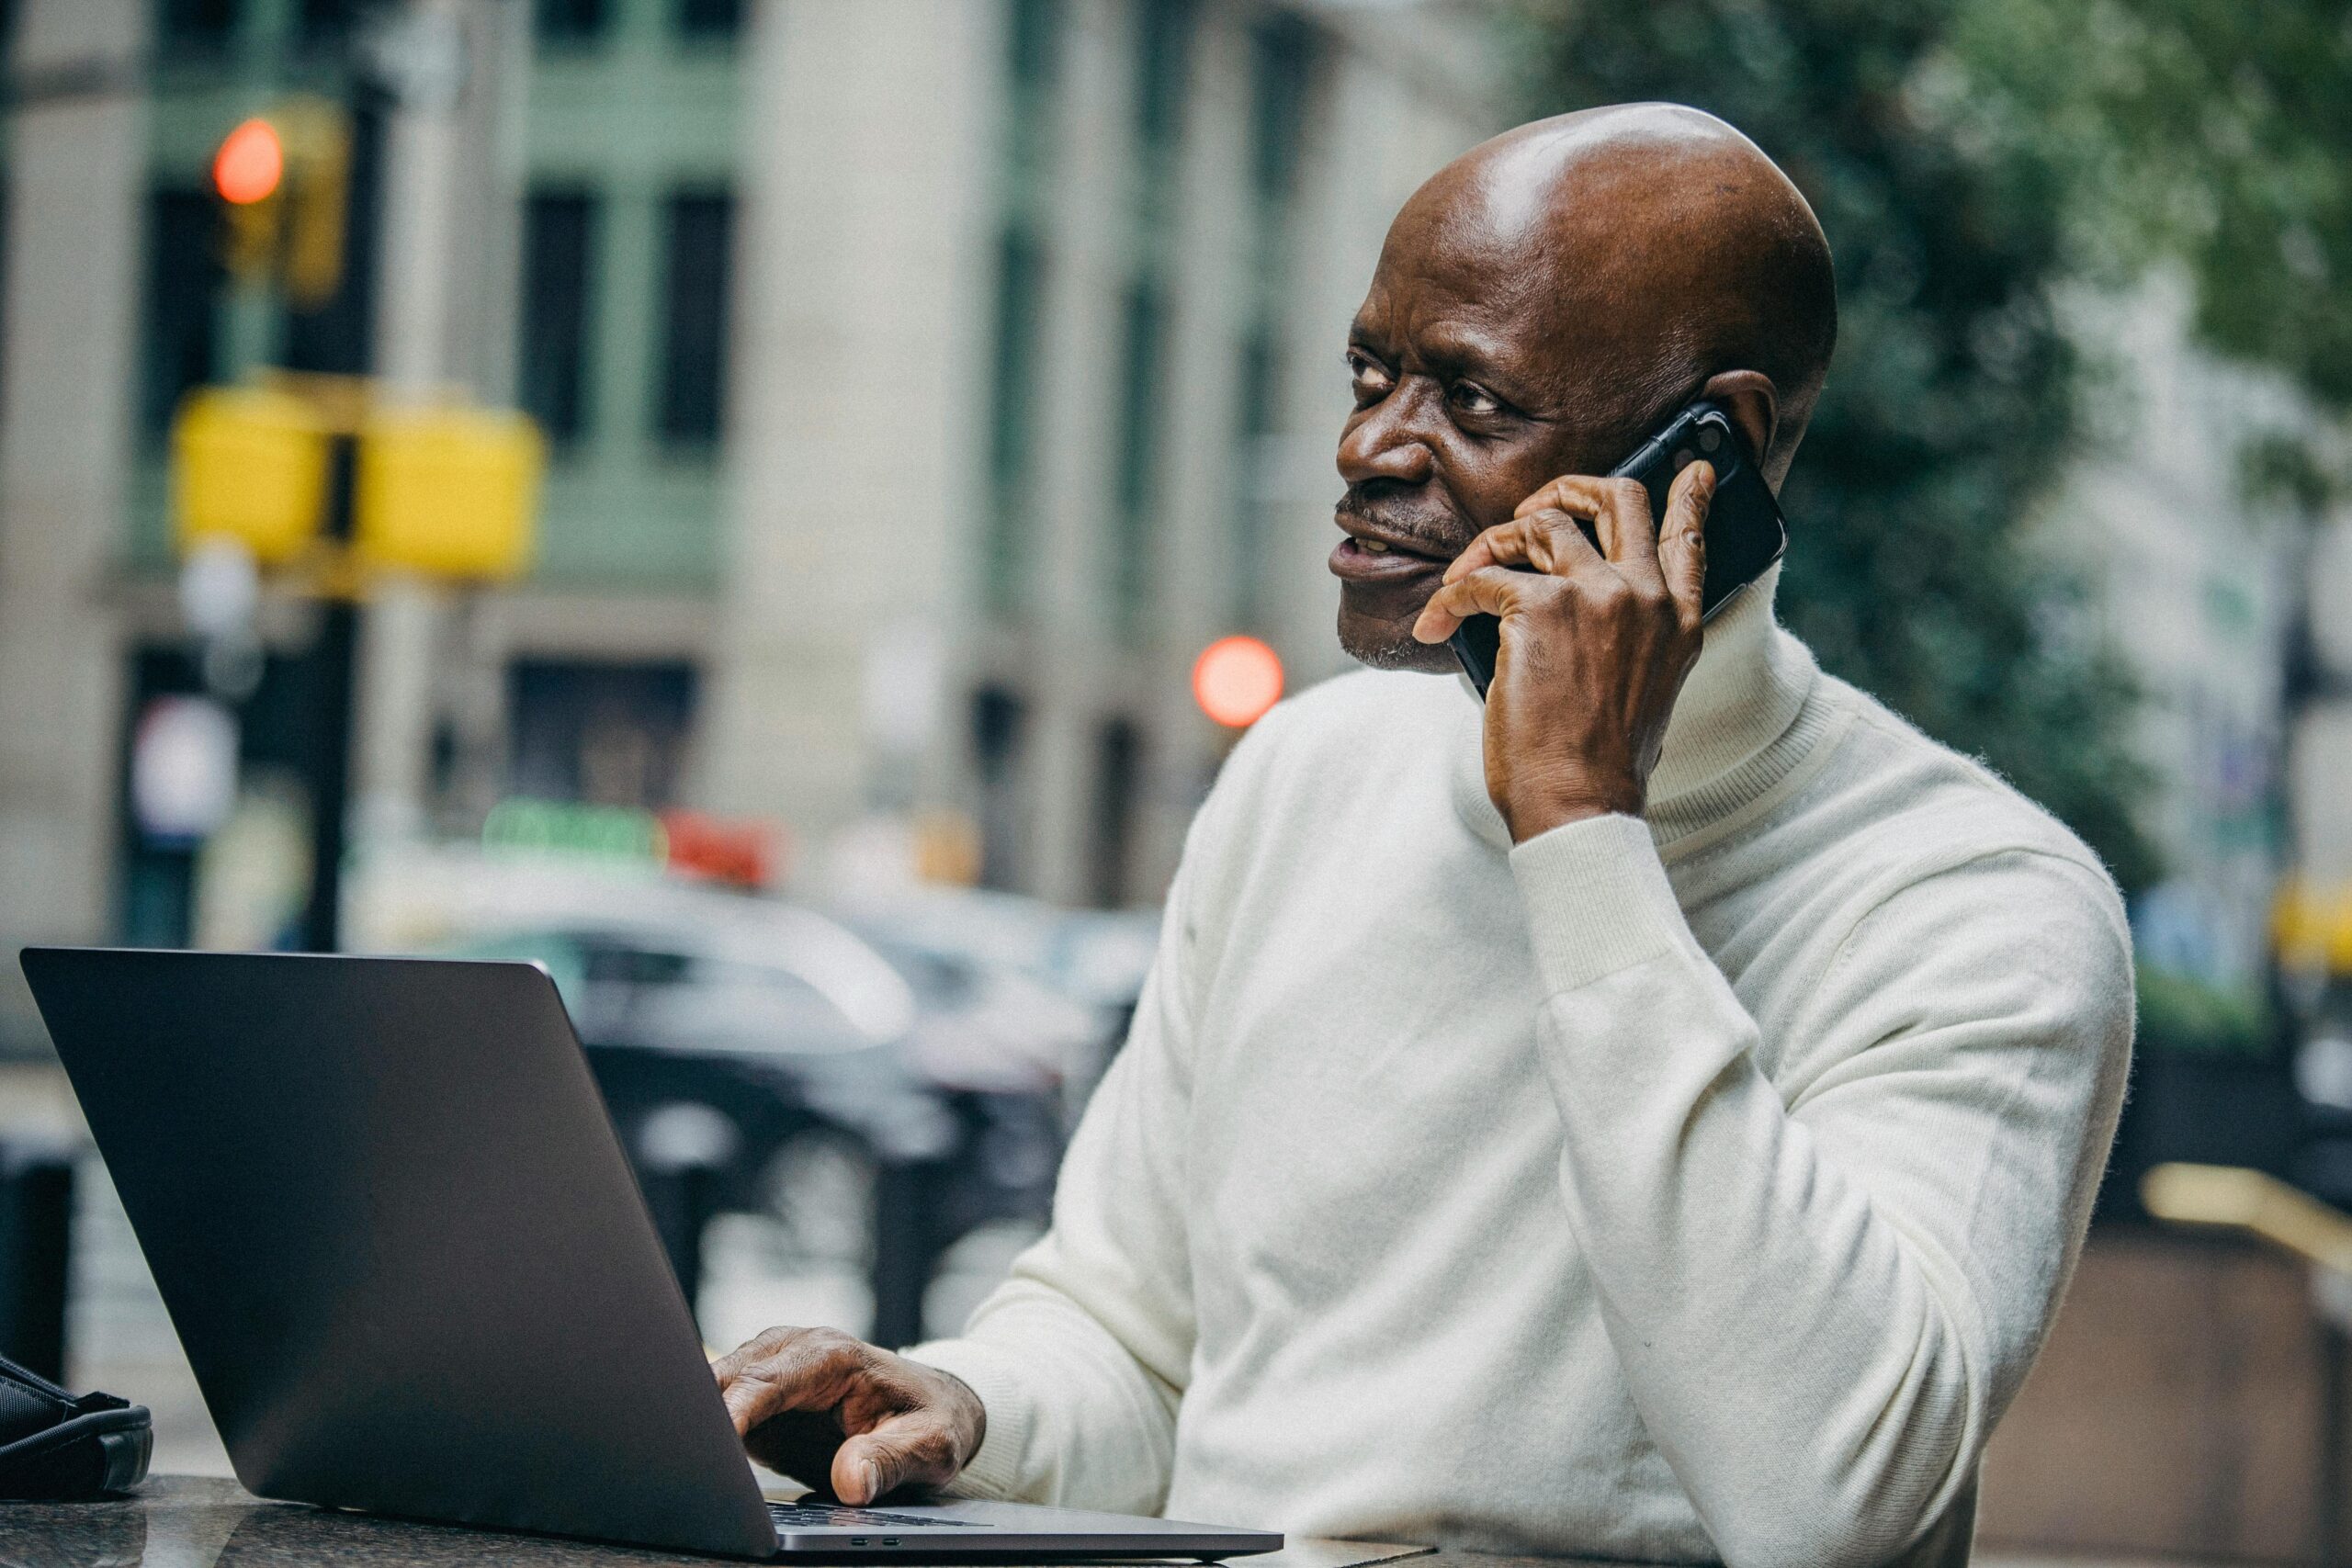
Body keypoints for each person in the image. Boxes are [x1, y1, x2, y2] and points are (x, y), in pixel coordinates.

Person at [712, 105, 2132, 1568]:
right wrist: (967, 1405)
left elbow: (1827, 1504)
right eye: (1370, 373)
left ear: (1717, 451)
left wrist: (1582, 828)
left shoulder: (1979, 906)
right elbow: (1132, 1342)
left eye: (1473, 400)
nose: (1366, 446)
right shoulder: (1306, 774)